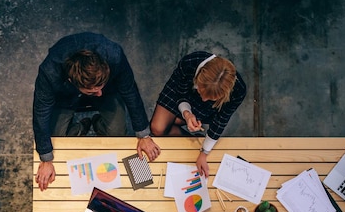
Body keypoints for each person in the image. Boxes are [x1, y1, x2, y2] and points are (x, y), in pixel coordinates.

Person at [33, 32, 161, 191]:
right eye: (93, 92)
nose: (98, 94)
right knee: (58, 142)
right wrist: (46, 159)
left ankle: (97, 122)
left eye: (99, 89)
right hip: (65, 96)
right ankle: (81, 127)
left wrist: (144, 135)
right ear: (72, 81)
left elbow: (130, 92)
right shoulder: (49, 72)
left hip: (110, 90)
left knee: (117, 134)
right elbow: (41, 113)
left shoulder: (114, 55)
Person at [149, 51, 247, 177]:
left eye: (211, 98)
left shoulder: (239, 90)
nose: (204, 99)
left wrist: (203, 153)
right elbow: (180, 93)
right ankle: (195, 138)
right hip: (183, 93)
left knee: (171, 122)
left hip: (208, 108)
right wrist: (187, 114)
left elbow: (221, 121)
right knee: (157, 128)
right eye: (202, 91)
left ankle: (197, 142)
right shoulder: (190, 63)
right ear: (198, 79)